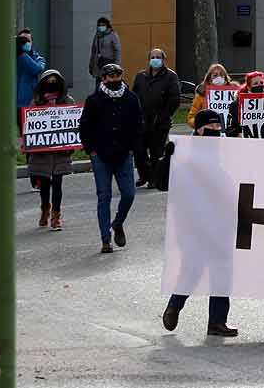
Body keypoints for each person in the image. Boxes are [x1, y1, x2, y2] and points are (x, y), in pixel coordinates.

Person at [161, 108, 239, 337]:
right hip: (192, 221)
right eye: (211, 127)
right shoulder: (184, 151)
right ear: (199, 129)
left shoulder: (227, 150)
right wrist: (168, 158)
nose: (216, 130)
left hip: (220, 219)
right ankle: (175, 305)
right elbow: (163, 182)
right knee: (194, 267)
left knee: (222, 270)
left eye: (218, 126)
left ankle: (217, 321)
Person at [78, 62, 142, 254]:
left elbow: (138, 125)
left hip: (124, 155)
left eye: (118, 76)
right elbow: (85, 127)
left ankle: (118, 223)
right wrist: (91, 151)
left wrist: (132, 149)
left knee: (129, 194)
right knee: (103, 197)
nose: (115, 79)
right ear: (103, 79)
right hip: (101, 156)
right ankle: (105, 239)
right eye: (111, 76)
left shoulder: (131, 98)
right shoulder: (94, 100)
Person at [25, 69, 72, 231]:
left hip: (60, 152)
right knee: (44, 185)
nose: (52, 85)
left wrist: (70, 146)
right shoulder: (36, 103)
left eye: (55, 82)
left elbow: (73, 126)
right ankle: (45, 208)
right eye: (48, 82)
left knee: (58, 184)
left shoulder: (67, 101)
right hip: (42, 153)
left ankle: (56, 215)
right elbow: (29, 126)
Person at [131, 48, 180, 187]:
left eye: (158, 57)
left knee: (156, 152)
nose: (155, 59)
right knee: (139, 150)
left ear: (163, 60)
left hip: (160, 121)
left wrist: (163, 116)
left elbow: (174, 99)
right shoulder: (141, 76)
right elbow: (134, 95)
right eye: (153, 57)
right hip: (141, 120)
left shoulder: (171, 76)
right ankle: (144, 174)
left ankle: (154, 178)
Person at [188, 63, 234, 127]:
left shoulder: (234, 94)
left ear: (225, 78)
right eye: (215, 75)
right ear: (209, 78)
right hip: (208, 132)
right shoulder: (201, 95)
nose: (219, 77)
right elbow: (191, 118)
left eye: (221, 75)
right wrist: (201, 124)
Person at [16, 30, 46, 118]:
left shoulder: (38, 58)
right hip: (11, 104)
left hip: (29, 105)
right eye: (22, 40)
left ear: (32, 42)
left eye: (28, 40)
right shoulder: (11, 57)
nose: (25, 43)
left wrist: (22, 54)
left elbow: (36, 69)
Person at [88, 16, 121, 81]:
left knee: (109, 85)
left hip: (110, 67)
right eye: (99, 25)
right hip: (98, 66)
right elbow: (93, 52)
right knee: (99, 86)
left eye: (103, 25)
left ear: (107, 25)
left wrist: (117, 66)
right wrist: (91, 66)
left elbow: (118, 51)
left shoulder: (113, 35)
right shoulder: (97, 36)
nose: (101, 27)